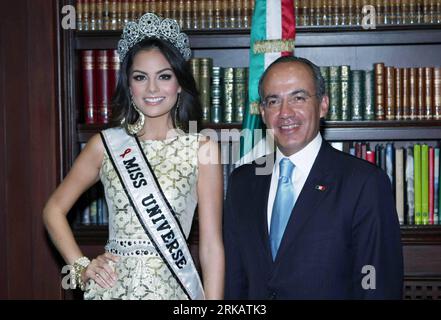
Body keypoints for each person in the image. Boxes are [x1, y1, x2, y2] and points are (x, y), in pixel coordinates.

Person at [43, 13, 224, 300]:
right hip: (114, 290)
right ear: (129, 86)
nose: (152, 89)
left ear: (179, 83)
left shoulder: (202, 148)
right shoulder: (106, 144)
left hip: (174, 289)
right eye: (141, 77)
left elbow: (212, 244)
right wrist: (80, 266)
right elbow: (53, 209)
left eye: (164, 76)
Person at [224, 56, 403, 299]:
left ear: (323, 105)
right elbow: (234, 281)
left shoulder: (364, 183)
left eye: (298, 98)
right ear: (263, 113)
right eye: (273, 101)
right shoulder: (242, 182)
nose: (285, 113)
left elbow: (377, 285)